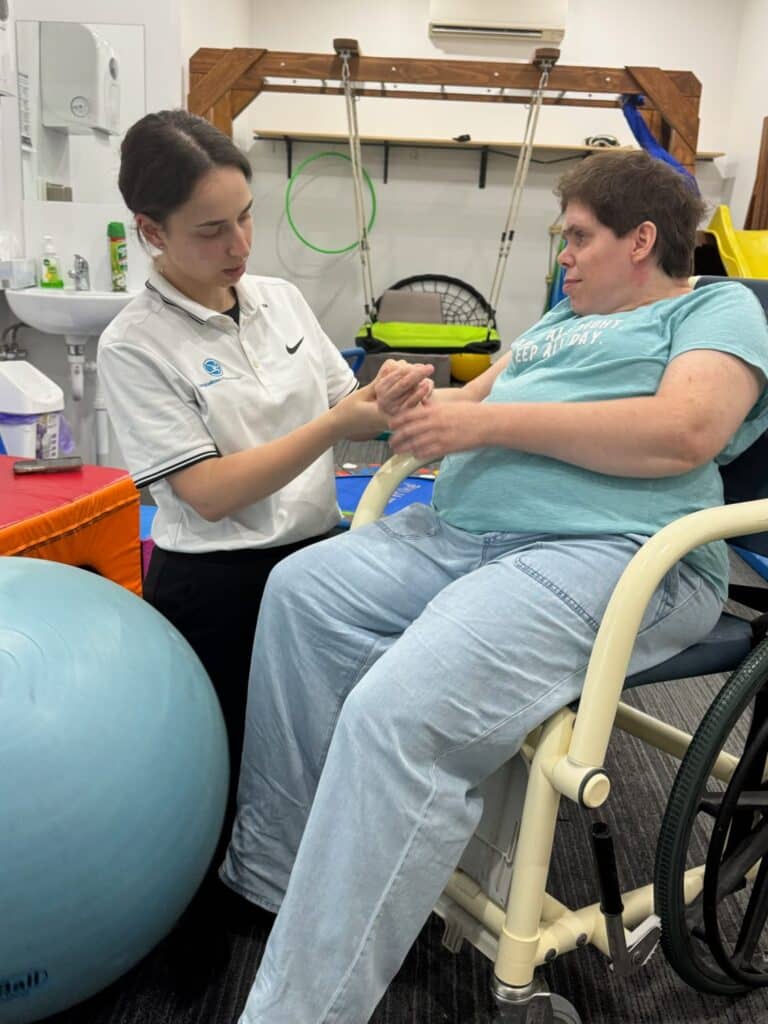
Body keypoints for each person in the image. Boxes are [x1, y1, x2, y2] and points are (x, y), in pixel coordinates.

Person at [220, 148, 768, 1023]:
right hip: (461, 535)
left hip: (610, 554)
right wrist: (412, 397)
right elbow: (468, 401)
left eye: (579, 239)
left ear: (642, 240)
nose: (565, 258)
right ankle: (283, 879)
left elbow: (685, 433)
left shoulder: (715, 307)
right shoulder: (558, 324)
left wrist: (483, 422)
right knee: (300, 594)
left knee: (398, 719)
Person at [96, 110, 431, 904]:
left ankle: (309, 883)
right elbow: (207, 495)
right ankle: (206, 907)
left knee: (317, 740)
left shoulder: (277, 299)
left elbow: (350, 402)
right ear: (150, 230)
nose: (240, 246)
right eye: (212, 230)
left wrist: (403, 399)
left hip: (318, 557)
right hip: (216, 581)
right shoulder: (134, 343)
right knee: (225, 759)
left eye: (246, 216)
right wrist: (339, 425)